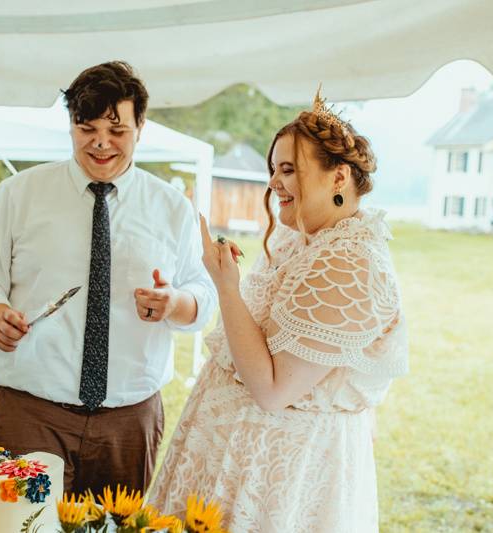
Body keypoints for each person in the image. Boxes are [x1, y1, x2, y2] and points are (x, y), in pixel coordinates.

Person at [147, 91, 409, 532]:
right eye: (273, 170)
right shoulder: (300, 239)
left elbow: (271, 390)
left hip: (278, 485)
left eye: (287, 169)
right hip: (228, 465)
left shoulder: (350, 262)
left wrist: (226, 286)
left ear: (338, 177)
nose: (272, 183)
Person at [0, 61, 216, 496]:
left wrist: (176, 303)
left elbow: (203, 293)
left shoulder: (172, 207)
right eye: (86, 128)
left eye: (117, 132)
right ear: (71, 124)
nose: (100, 143)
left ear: (141, 127)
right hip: (30, 410)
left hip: (129, 420)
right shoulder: (20, 194)